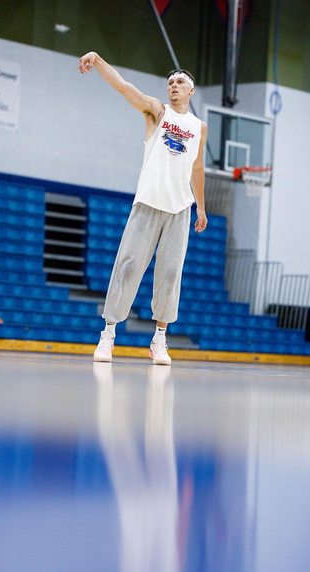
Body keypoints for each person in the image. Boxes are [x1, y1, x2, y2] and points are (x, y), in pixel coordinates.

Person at [79, 51, 207, 366]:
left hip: (179, 209)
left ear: (191, 90)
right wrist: (97, 60)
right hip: (148, 203)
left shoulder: (199, 127)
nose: (174, 85)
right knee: (128, 267)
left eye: (180, 82)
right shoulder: (157, 111)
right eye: (171, 82)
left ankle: (159, 341)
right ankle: (108, 335)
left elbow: (197, 168)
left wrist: (201, 208)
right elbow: (123, 87)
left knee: (170, 274)